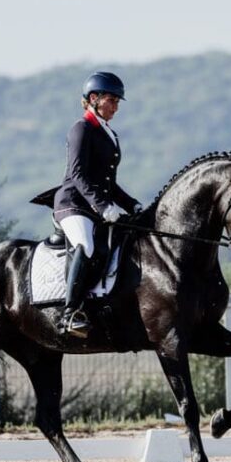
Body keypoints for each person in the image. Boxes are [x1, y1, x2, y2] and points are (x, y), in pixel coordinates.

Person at [52, 71, 142, 338]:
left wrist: (132, 204)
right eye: (111, 100)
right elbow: (78, 175)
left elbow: (109, 183)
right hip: (73, 204)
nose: (115, 106)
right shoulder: (82, 128)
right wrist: (103, 207)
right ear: (93, 98)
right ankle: (70, 313)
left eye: (117, 102)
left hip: (95, 206)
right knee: (87, 245)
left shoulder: (109, 134)